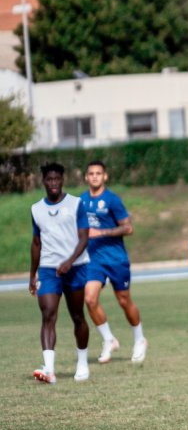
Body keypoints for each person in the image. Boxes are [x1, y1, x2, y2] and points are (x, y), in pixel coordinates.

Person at [29, 163, 93, 384]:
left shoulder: (76, 204)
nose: (53, 183)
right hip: (48, 270)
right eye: (49, 179)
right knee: (48, 315)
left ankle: (82, 363)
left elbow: (84, 237)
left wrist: (69, 261)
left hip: (75, 268)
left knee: (77, 316)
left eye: (57, 179)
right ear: (44, 181)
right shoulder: (36, 209)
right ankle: (49, 369)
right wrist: (32, 274)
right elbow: (36, 243)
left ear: (62, 180)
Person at [80, 160, 147, 364]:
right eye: (91, 173)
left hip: (116, 259)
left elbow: (128, 228)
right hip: (93, 260)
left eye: (98, 173)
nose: (94, 177)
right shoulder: (81, 201)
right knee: (90, 299)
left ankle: (139, 339)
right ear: (86, 177)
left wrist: (101, 233)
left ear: (105, 177)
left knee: (124, 300)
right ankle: (109, 339)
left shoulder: (112, 200)